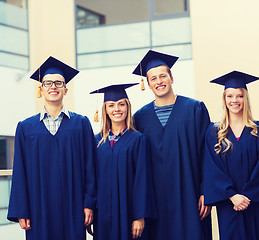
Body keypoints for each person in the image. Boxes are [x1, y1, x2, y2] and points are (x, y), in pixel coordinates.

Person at [7, 56, 96, 240]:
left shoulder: (81, 124)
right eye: (48, 83)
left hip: (74, 206)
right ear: (41, 89)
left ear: (66, 89)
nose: (53, 86)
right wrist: (22, 209)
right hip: (39, 208)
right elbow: (20, 172)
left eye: (58, 83)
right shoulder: (26, 127)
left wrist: (89, 203)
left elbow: (91, 167)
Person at [132, 50, 212, 240]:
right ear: (148, 84)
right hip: (156, 201)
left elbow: (207, 154)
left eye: (162, 76)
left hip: (190, 195)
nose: (159, 81)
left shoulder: (194, 109)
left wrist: (206, 192)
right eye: (153, 78)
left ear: (172, 78)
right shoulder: (140, 118)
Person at [204, 71, 259, 240]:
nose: (234, 100)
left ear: (246, 98)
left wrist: (248, 196)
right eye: (230, 96)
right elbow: (212, 169)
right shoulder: (214, 132)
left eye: (239, 96)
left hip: (256, 204)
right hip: (229, 205)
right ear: (224, 99)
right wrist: (233, 196)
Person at [88, 83, 156, 240]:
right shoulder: (96, 142)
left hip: (129, 213)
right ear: (105, 110)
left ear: (127, 107)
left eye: (121, 104)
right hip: (103, 214)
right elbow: (91, 179)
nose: (116, 109)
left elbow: (143, 180)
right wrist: (90, 209)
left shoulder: (138, 140)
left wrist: (139, 216)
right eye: (111, 105)